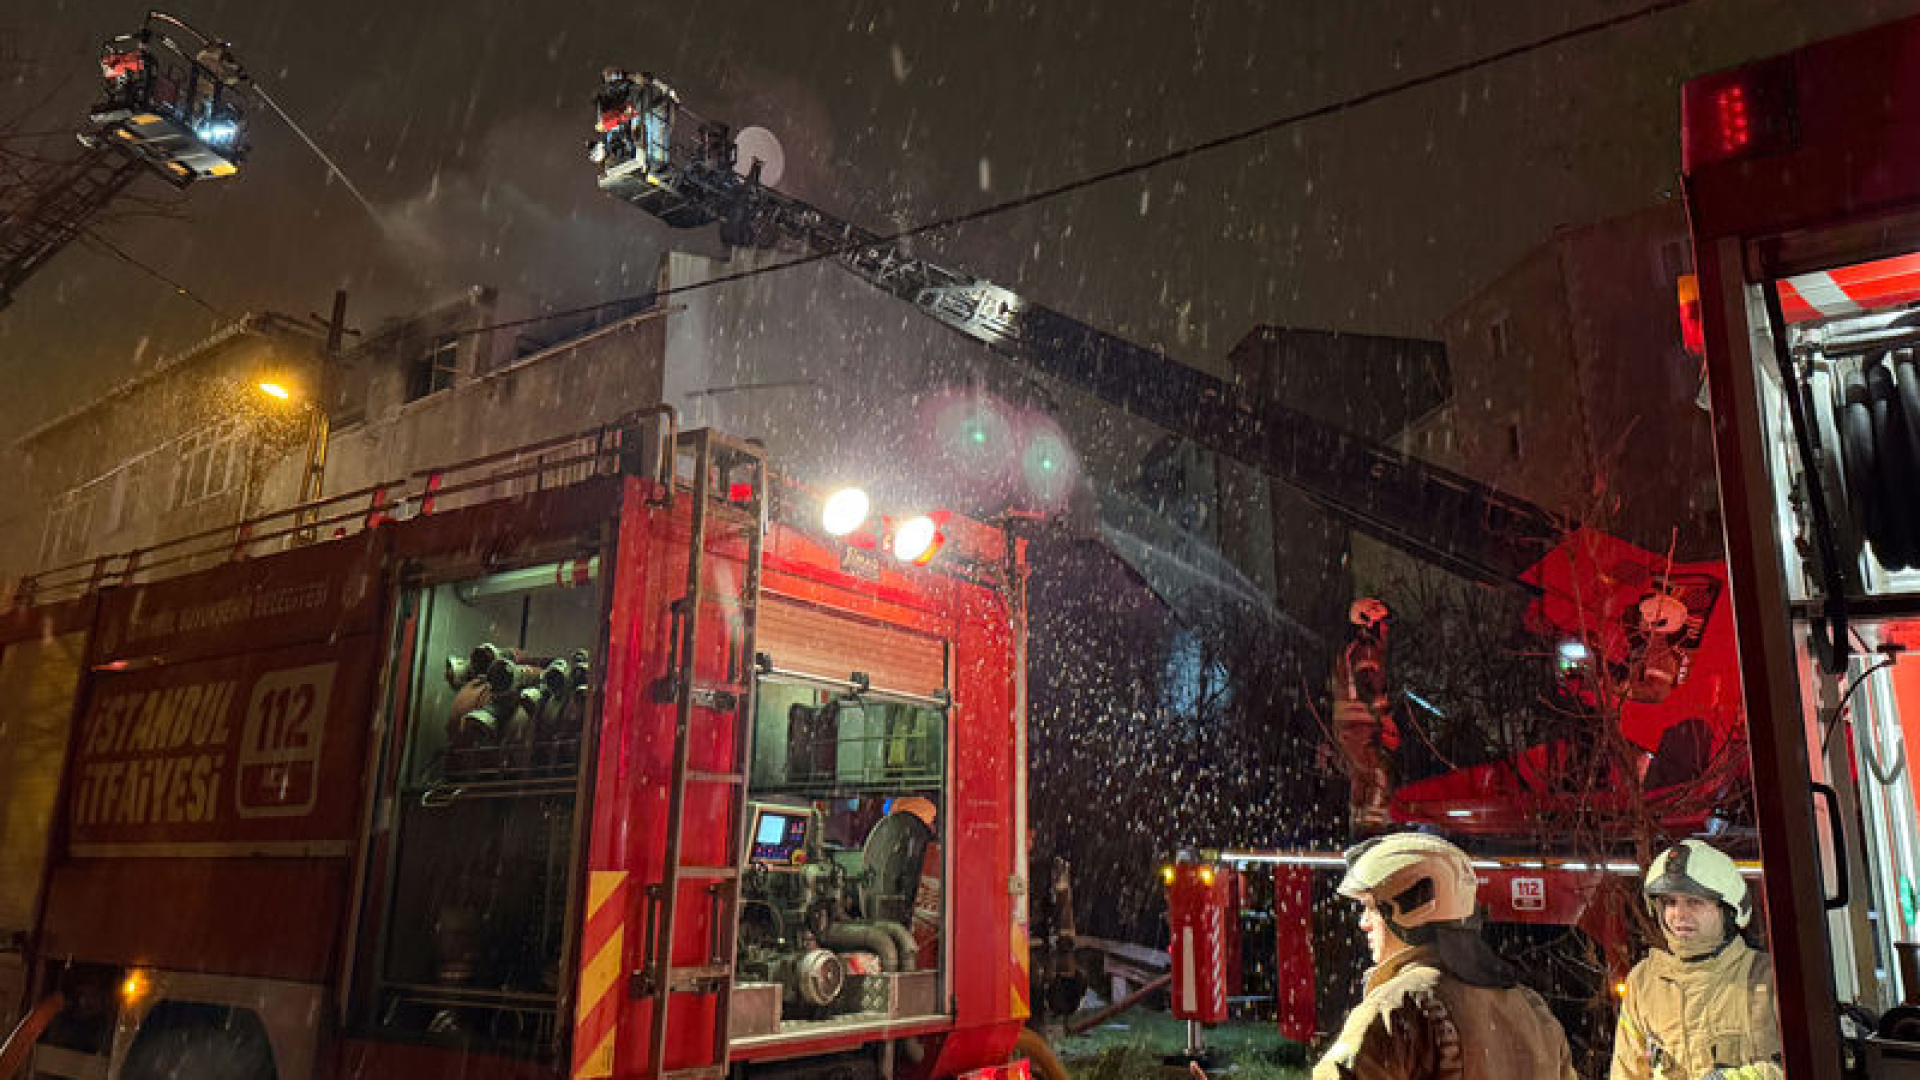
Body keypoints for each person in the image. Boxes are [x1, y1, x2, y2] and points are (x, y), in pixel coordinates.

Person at [1313, 832, 1576, 1079]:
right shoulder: (1533, 1010)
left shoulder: (1397, 1008)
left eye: (1371, 908)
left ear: (1412, 908)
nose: (1364, 923)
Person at [1610, 839, 1782, 1080]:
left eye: (1694, 902)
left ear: (1728, 910)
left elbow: (1809, 1065)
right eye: (1670, 902)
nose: (1679, 915)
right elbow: (1626, 1072)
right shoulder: (1644, 983)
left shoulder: (1769, 978)